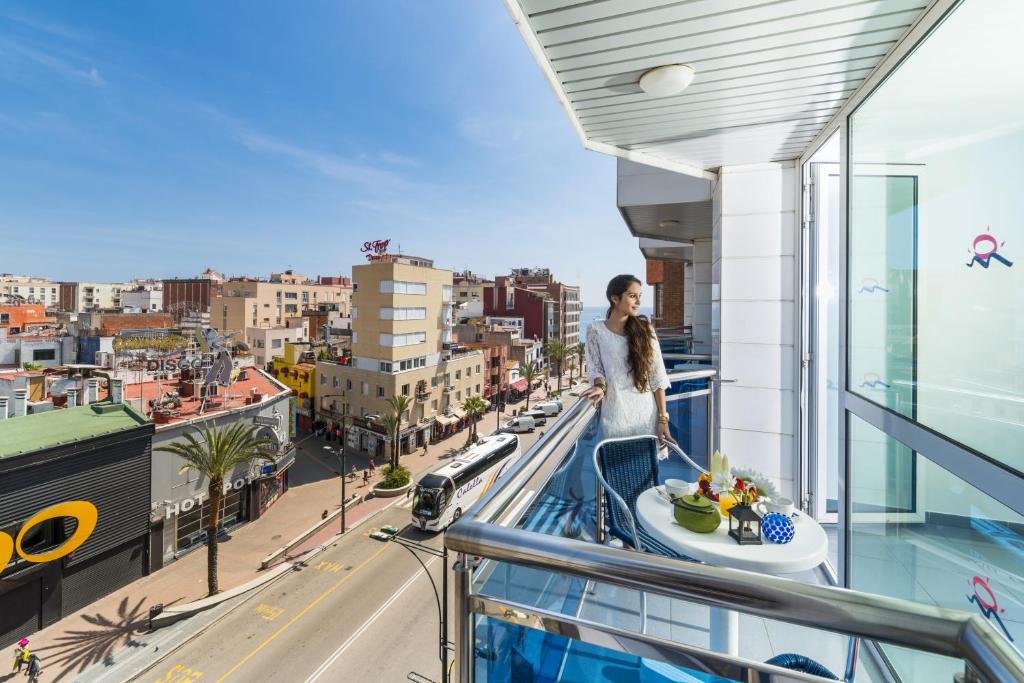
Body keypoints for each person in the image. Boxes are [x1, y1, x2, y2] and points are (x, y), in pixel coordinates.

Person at [581, 274, 674, 443]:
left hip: (646, 418)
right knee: (614, 460)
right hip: (614, 418)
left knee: (648, 460)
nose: (638, 302)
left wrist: (663, 420)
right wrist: (600, 386)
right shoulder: (595, 330)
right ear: (615, 298)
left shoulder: (645, 330)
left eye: (639, 296)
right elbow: (596, 369)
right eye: (632, 296)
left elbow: (657, 377)